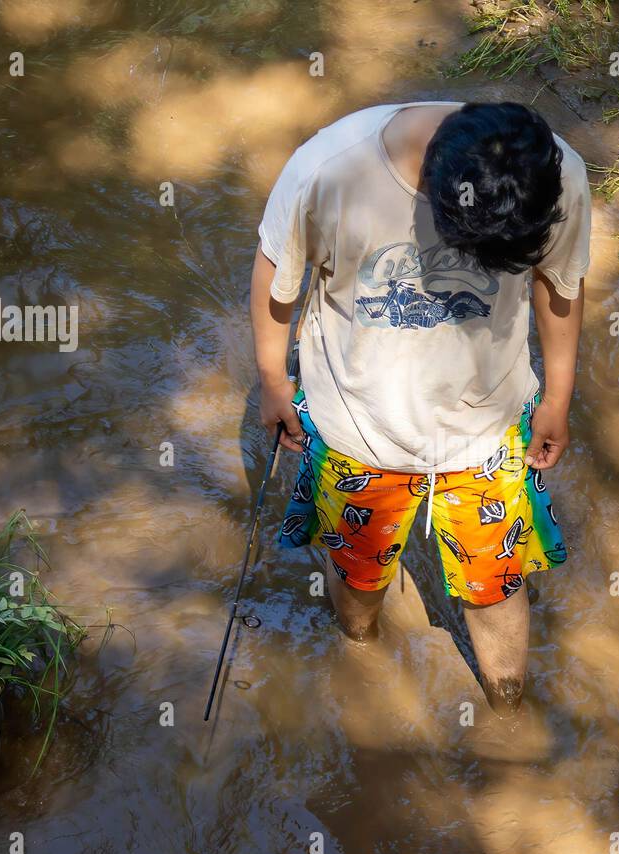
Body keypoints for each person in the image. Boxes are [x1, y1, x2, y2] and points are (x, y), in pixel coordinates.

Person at [251, 100, 590, 711]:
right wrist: (274, 382)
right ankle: (362, 658)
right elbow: (277, 273)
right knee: (359, 575)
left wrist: (558, 396)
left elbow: (558, 282)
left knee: (496, 585)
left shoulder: (553, 175)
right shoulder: (326, 174)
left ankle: (508, 712)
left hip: (487, 428)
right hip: (358, 426)